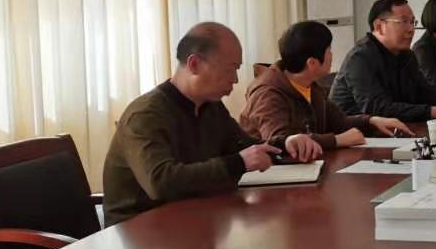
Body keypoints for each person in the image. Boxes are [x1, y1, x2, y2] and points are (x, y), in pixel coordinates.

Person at [103, 22, 297, 224]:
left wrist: (286, 144)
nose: (235, 79)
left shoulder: (210, 106)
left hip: (192, 216)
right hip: (140, 229)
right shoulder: (144, 115)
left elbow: (245, 147)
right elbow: (160, 183)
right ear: (194, 64)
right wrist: (239, 162)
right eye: (230, 69)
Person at [241, 20, 410, 159]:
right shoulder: (267, 93)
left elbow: (339, 122)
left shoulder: (310, 85)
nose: (331, 55)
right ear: (312, 63)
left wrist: (372, 121)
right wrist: (336, 140)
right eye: (329, 50)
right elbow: (279, 141)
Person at [329, 0, 436, 123]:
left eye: (412, 22)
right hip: (353, 137)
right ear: (379, 26)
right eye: (403, 22)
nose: (411, 29)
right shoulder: (360, 58)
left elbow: (423, 91)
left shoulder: (406, 55)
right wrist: (433, 111)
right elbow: (377, 108)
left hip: (393, 130)